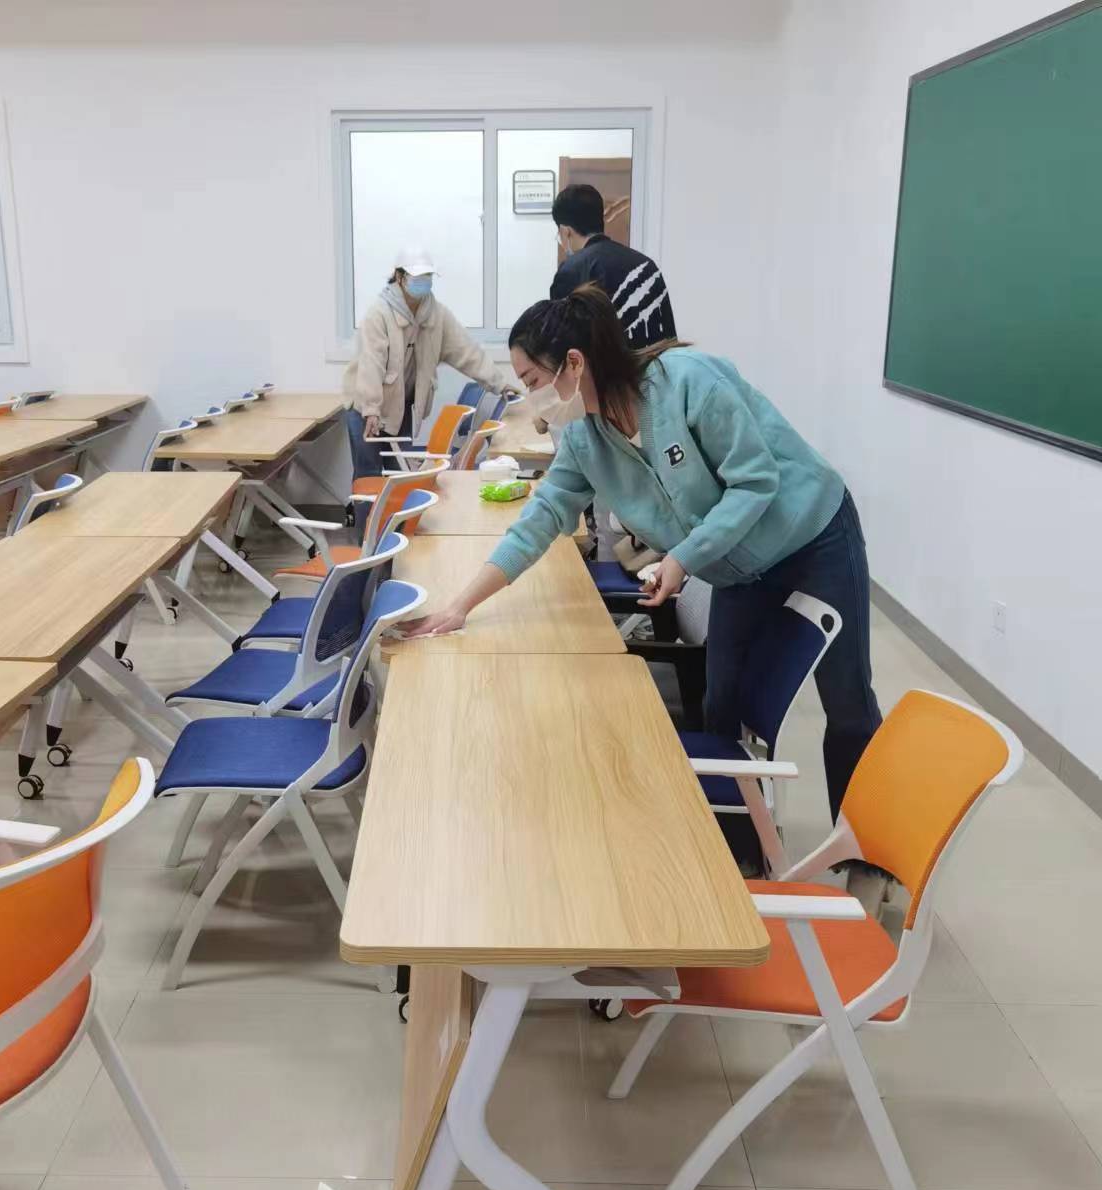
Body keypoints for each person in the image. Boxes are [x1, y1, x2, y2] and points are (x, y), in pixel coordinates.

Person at [407, 284, 883, 836]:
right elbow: (541, 518)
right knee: (722, 704)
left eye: (533, 382)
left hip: (813, 532)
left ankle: (865, 854)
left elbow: (755, 483)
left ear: (574, 363)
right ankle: (738, 845)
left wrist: (682, 558)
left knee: (847, 702)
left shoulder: (688, 383)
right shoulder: (586, 438)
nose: (531, 399)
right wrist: (461, 606)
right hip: (735, 565)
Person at [342, 246, 514, 480]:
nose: (423, 282)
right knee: (369, 476)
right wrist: (371, 409)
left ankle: (398, 507)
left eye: (427, 277)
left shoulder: (436, 314)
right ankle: (368, 507)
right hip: (364, 405)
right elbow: (371, 364)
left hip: (399, 407)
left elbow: (467, 351)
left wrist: (500, 384)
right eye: (417, 277)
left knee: (399, 474)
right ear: (400, 277)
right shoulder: (379, 314)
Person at [550, 184, 677, 348]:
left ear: (565, 231)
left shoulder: (571, 270)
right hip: (657, 362)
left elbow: (563, 341)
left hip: (607, 365)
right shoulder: (645, 264)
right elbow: (668, 336)